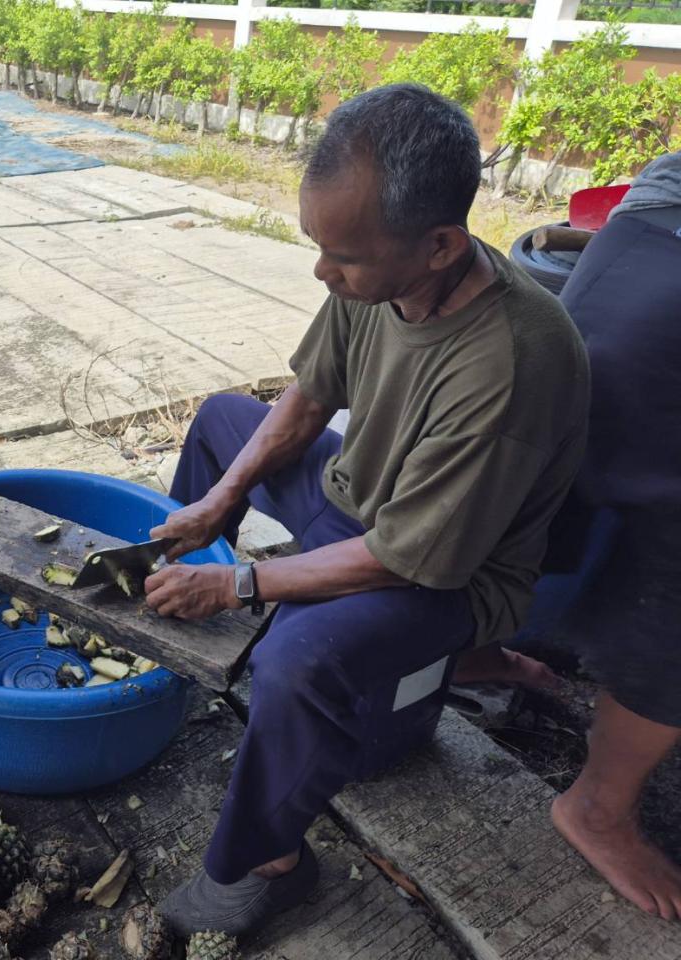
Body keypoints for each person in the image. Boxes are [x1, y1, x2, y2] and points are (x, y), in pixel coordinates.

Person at [143, 84, 590, 938]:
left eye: (340, 256)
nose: (323, 272)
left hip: (448, 572)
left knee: (297, 660)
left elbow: (408, 557)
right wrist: (219, 501)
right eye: (319, 247)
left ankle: (268, 860)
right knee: (218, 425)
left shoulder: (511, 364)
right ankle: (165, 626)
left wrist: (241, 583)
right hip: (365, 501)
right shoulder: (383, 277)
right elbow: (308, 399)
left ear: (440, 245)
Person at [462, 153, 681, 920]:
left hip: (652, 217)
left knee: (556, 477)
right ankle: (597, 807)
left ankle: (468, 651)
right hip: (663, 238)